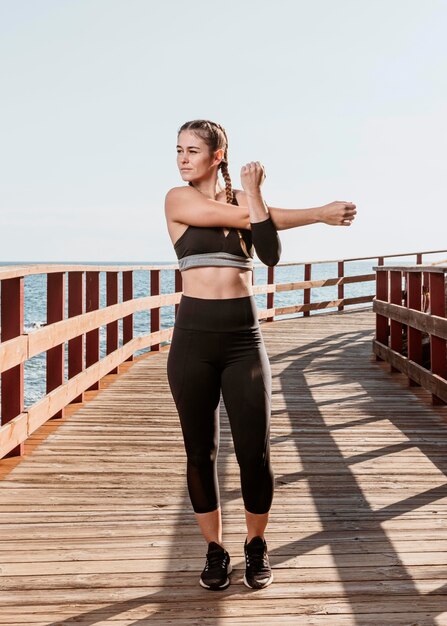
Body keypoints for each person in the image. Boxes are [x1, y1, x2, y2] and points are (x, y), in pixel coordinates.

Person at [164, 119, 356, 591]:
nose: (183, 158)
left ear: (218, 155)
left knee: (255, 451)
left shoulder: (249, 203)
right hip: (192, 342)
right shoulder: (178, 199)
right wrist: (317, 212)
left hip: (242, 343)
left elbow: (268, 252)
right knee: (200, 451)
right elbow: (247, 220)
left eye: (192, 150)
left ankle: (254, 545)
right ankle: (214, 549)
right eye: (179, 150)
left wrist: (255, 195)